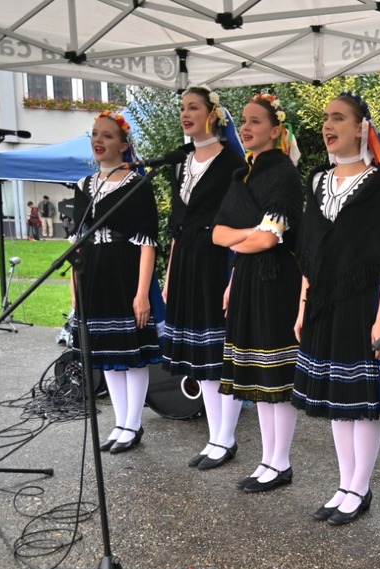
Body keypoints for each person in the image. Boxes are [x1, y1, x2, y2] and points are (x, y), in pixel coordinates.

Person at [294, 92, 380, 522]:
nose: (329, 125)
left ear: (361, 128)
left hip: (364, 302)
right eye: (326, 118)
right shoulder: (317, 181)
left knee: (361, 401)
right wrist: (304, 308)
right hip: (323, 301)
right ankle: (344, 482)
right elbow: (309, 251)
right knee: (339, 399)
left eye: (339, 117)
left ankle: (360, 487)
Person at [213, 93, 305, 493]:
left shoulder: (284, 173)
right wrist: (251, 237)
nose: (246, 128)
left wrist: (247, 236)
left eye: (255, 121)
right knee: (258, 378)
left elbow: (272, 241)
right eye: (244, 121)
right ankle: (268, 459)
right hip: (248, 276)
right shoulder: (242, 176)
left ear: (275, 130)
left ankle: (280, 461)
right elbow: (218, 235)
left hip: (275, 280)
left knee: (275, 377)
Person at [161, 85, 247, 471]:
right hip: (187, 261)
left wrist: (233, 276)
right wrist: (169, 271)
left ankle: (224, 439)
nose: (185, 113)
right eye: (183, 108)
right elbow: (177, 225)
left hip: (217, 260)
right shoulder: (181, 163)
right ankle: (216, 436)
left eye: (193, 107)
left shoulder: (233, 162)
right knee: (199, 357)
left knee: (216, 354)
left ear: (213, 113)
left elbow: (242, 221)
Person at [70, 110, 163, 454]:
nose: (98, 140)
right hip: (93, 269)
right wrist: (74, 284)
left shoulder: (136, 185)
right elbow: (78, 239)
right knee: (107, 351)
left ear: (124, 145)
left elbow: (147, 241)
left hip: (124, 268)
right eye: (95, 134)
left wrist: (142, 293)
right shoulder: (84, 186)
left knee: (130, 351)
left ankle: (133, 423)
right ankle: (120, 422)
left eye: (107, 135)